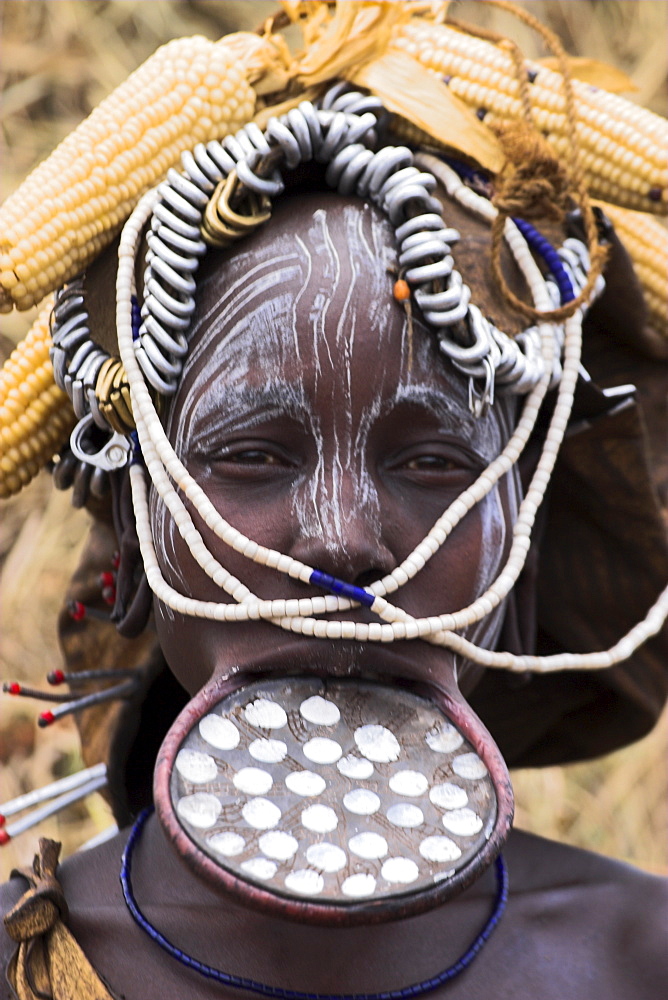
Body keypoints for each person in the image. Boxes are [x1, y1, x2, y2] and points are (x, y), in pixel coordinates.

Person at [1, 3, 667, 998]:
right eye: (253, 455)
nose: (348, 539)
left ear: (517, 545)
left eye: (433, 462)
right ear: (139, 537)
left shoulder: (637, 958)